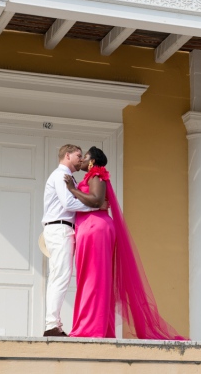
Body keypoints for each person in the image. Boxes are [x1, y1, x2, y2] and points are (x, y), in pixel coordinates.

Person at [64, 146, 186, 340]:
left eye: (85, 157)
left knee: (95, 280)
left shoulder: (97, 175)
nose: (82, 161)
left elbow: (95, 201)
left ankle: (91, 328)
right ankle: (92, 326)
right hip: (89, 229)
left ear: (93, 162)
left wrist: (71, 189)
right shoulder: (89, 178)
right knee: (87, 278)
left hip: (96, 229)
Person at [42, 144, 106, 337]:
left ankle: (55, 324)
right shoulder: (61, 175)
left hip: (63, 228)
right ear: (67, 156)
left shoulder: (68, 177)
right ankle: (52, 325)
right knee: (60, 276)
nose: (81, 159)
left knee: (60, 275)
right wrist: (97, 206)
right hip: (60, 228)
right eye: (78, 155)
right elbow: (68, 203)